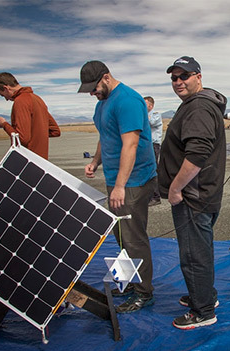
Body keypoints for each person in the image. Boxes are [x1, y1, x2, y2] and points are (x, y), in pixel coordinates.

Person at [78, 60, 158, 313]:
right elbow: (105, 135)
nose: (92, 93)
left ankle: (144, 292)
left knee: (133, 237)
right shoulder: (102, 104)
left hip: (134, 180)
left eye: (94, 87)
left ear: (106, 77)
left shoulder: (128, 101)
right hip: (117, 180)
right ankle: (129, 282)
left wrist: (120, 186)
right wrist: (95, 161)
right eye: (89, 90)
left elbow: (130, 145)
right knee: (121, 235)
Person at [159, 56, 227, 330]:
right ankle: (205, 295)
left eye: (184, 76)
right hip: (204, 194)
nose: (178, 82)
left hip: (193, 196)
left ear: (199, 77)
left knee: (193, 254)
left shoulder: (198, 108)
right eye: (174, 78)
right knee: (201, 248)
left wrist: (175, 188)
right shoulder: (197, 105)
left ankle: (203, 311)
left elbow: (197, 154)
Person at [0, 72, 61, 159]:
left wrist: (4, 125)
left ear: (6, 88)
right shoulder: (37, 99)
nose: (6, 99)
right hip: (41, 162)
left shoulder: (21, 101)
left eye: (3, 95)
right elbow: (55, 131)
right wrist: (36, 135)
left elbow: (22, 138)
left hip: (28, 160)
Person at [144, 96, 163, 206]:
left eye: (145, 104)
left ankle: (156, 196)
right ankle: (149, 195)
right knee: (147, 170)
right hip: (146, 145)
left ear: (150, 106)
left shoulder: (155, 115)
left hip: (153, 145)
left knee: (153, 169)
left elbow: (150, 123)